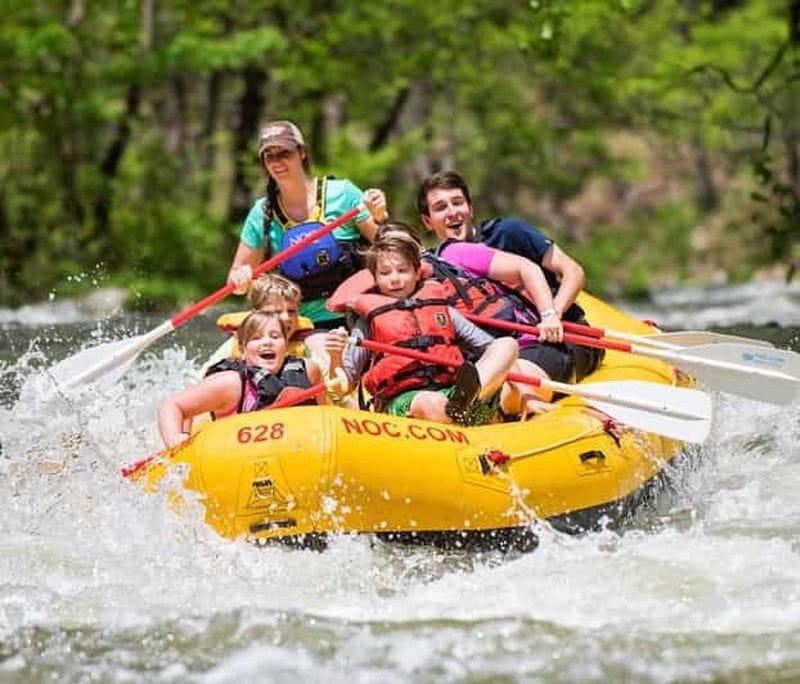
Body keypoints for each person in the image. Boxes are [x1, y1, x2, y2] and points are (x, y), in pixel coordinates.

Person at [417, 170, 604, 382]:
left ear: (470, 208)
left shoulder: (508, 232)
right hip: (511, 347)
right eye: (441, 208)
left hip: (563, 336)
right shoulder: (439, 265)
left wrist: (552, 314)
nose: (452, 212)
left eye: (457, 203)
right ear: (427, 221)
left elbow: (573, 271)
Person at [226, 119, 388, 359]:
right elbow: (237, 274)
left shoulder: (343, 194)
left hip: (359, 315)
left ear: (302, 153)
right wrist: (240, 279)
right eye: (269, 156)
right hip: (304, 325)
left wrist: (380, 216)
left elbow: (388, 245)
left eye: (284, 153)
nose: (277, 162)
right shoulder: (261, 213)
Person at [324, 233, 523, 424]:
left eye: (402, 270)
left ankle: (464, 402)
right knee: (431, 402)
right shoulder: (368, 321)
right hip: (408, 399)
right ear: (375, 278)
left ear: (417, 272)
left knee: (507, 344)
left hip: (451, 391)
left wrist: (514, 386)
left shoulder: (439, 308)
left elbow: (490, 347)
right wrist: (335, 356)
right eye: (385, 273)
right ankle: (465, 411)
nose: (395, 279)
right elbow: (344, 385)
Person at [158, 311, 329, 448]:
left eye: (275, 336)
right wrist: (176, 441)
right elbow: (172, 406)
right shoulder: (230, 383)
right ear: (243, 349)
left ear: (286, 344)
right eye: (256, 338)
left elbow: (325, 414)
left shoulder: (308, 370)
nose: (267, 342)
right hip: (238, 459)